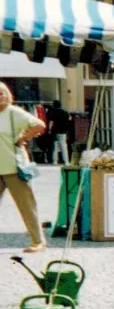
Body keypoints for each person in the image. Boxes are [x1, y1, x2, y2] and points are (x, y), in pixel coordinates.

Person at [0, 83, 47, 252]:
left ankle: (38, 241)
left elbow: (39, 125)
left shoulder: (14, 113)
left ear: (8, 95)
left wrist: (23, 138)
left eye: (2, 93)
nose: (0, 96)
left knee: (26, 206)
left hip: (14, 167)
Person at [46, 100, 72, 166]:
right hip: (63, 131)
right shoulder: (64, 112)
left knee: (55, 146)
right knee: (63, 146)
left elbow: (51, 122)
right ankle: (66, 161)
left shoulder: (52, 112)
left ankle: (55, 161)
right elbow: (70, 118)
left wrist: (49, 130)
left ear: (54, 105)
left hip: (55, 131)